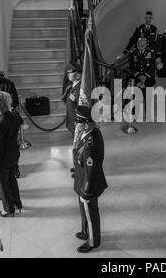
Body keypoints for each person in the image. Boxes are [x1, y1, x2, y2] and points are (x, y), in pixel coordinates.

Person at [73, 106, 107, 253]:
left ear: (86, 124)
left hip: (89, 185)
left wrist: (86, 191)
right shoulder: (86, 132)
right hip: (82, 179)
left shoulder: (91, 143)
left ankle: (93, 241)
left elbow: (91, 171)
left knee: (90, 212)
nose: (75, 124)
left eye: (78, 122)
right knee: (84, 211)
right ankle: (86, 231)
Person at [0, 91, 23, 218]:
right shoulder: (13, 115)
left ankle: (8, 209)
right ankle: (17, 204)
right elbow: (20, 120)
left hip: (3, 158)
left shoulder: (0, 123)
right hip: (14, 154)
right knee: (12, 179)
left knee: (3, 185)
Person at [62, 63, 82, 137]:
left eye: (71, 73)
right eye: (68, 73)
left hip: (77, 121)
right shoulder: (70, 85)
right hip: (72, 118)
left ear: (78, 75)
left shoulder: (80, 88)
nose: (68, 74)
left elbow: (83, 104)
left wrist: (76, 99)